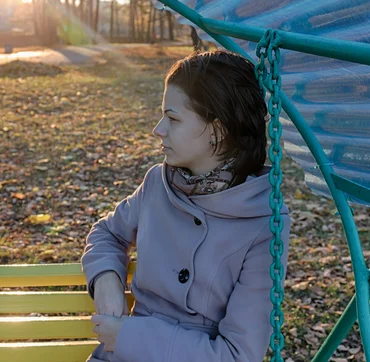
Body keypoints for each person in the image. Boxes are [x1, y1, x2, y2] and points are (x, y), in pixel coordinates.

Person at [82, 50, 291, 362]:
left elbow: (238, 355)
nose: (158, 129)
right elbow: (107, 233)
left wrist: (128, 337)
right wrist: (106, 278)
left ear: (217, 132)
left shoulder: (262, 222)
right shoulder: (157, 184)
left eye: (173, 118)